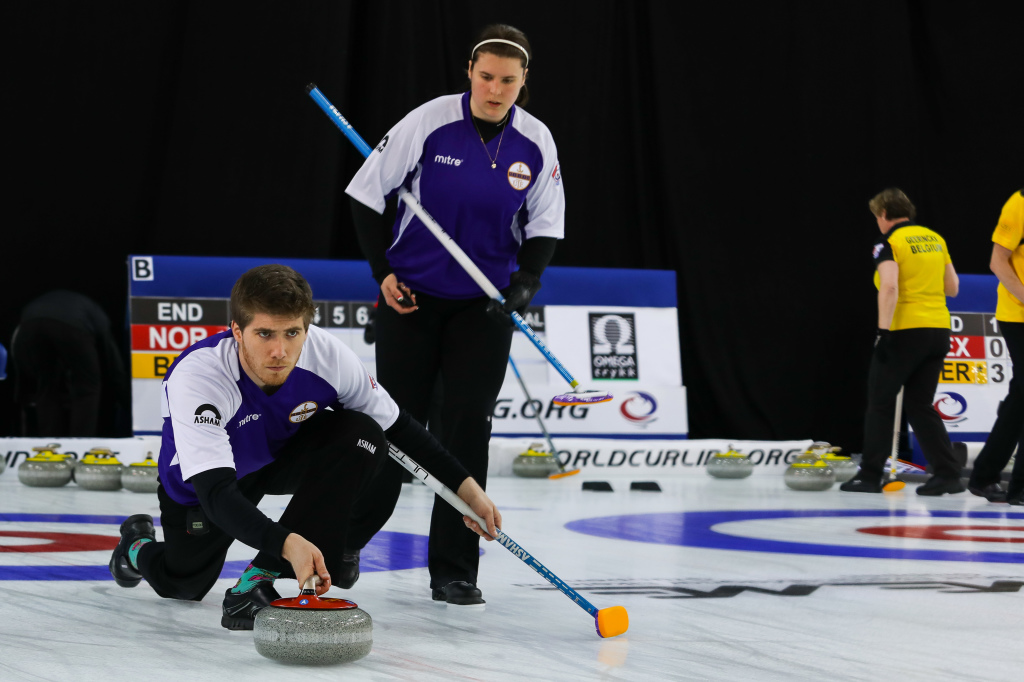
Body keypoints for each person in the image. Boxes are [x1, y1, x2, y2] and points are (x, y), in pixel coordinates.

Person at [107, 264, 502, 630]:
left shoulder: (327, 355)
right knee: (183, 584)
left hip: (275, 459)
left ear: (306, 330)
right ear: (237, 331)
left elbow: (404, 431)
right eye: (265, 334)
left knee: (366, 436)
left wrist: (470, 495)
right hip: (201, 486)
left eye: (292, 333)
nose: (280, 351)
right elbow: (216, 493)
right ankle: (136, 545)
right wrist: (287, 542)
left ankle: (259, 579)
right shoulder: (200, 376)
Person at [342, 23, 563, 606]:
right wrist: (380, 274)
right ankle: (344, 543)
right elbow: (366, 194)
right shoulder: (429, 121)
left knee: (467, 429)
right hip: (410, 299)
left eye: (508, 81)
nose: (495, 89)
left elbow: (544, 225)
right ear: (470, 71)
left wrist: (527, 283)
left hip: (482, 309)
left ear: (523, 82)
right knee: (393, 425)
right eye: (486, 77)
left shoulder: (536, 141)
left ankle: (455, 570)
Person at [841, 188, 964, 495]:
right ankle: (947, 474)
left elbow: (890, 287)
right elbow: (953, 288)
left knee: (881, 402)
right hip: (939, 329)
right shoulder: (936, 239)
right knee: (921, 404)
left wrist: (883, 332)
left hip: (906, 330)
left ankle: (870, 476)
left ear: (884, 215)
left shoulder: (889, 242)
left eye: (876, 217)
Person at [967, 189, 1024, 503]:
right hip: (1019, 316)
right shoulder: (1019, 203)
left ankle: (985, 475)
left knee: (1019, 399)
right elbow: (997, 261)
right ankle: (1020, 487)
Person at [10, 290, 130, 437]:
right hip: (72, 324)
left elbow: (18, 353)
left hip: (28, 323)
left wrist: (20, 392)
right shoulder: (99, 317)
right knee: (88, 386)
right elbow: (114, 365)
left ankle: (49, 443)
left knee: (46, 386)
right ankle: (81, 442)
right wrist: (127, 402)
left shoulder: (80, 307)